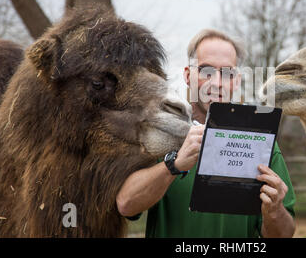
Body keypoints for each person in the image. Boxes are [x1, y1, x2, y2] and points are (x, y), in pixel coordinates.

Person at [116, 29, 296, 237]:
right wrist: (173, 165)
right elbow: (126, 204)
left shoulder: (261, 142)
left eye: (227, 73)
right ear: (187, 75)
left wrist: (274, 211)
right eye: (206, 71)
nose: (217, 83)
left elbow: (284, 234)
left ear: (236, 81)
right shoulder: (162, 133)